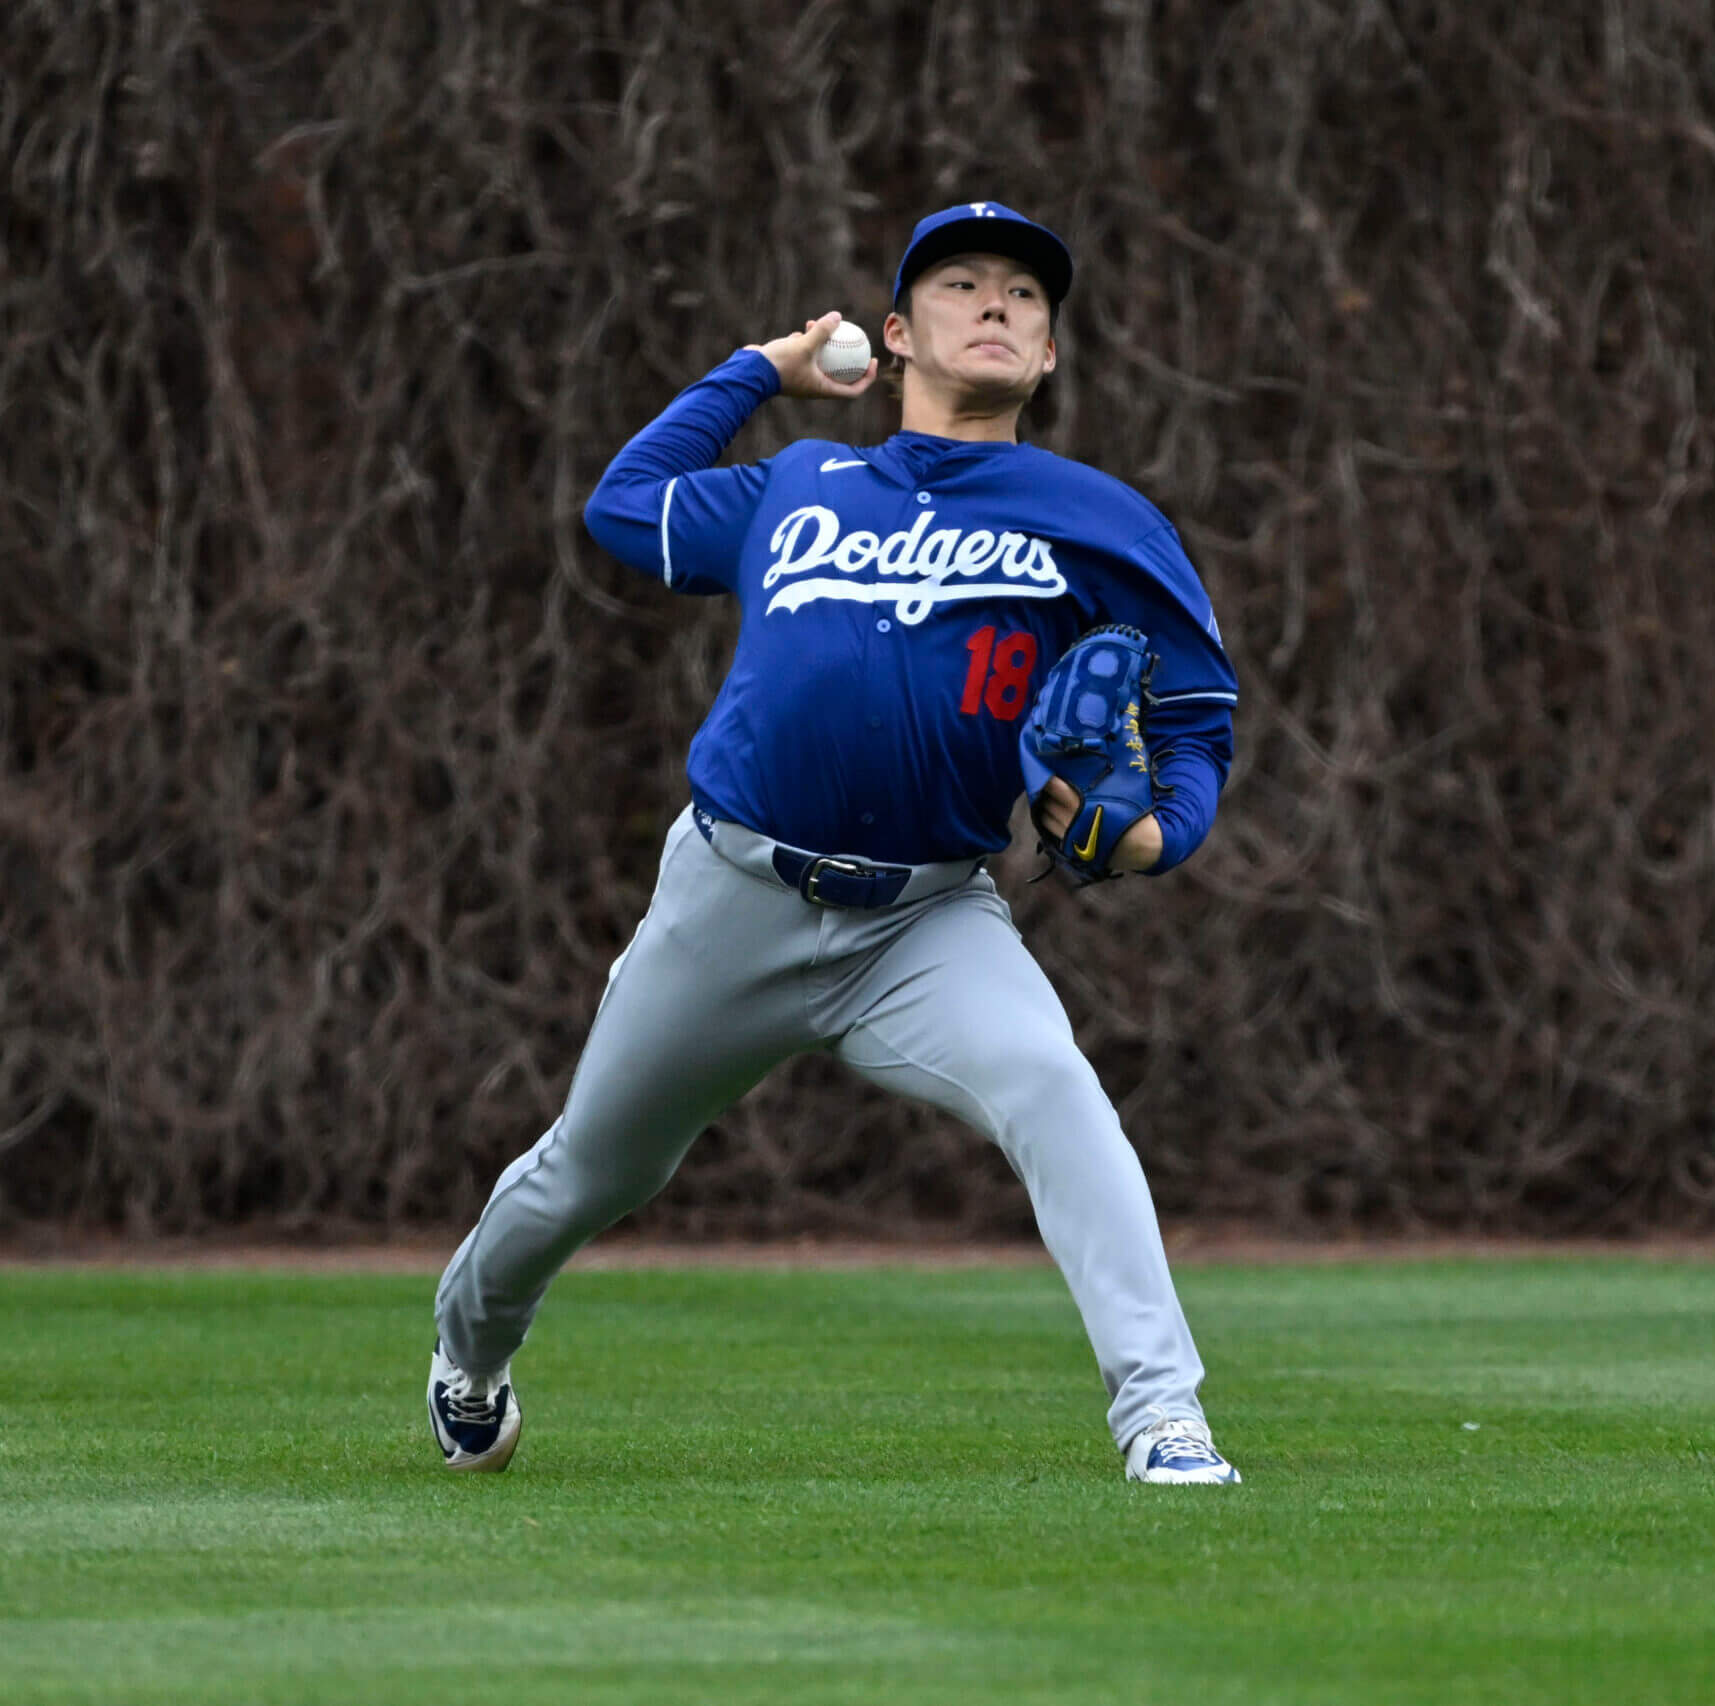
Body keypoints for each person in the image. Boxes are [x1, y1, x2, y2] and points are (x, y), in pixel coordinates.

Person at [424, 203, 1242, 1486]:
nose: (996, 306)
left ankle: (1162, 1414)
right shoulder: (804, 479)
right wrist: (762, 370)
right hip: (730, 895)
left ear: (1048, 355)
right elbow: (622, 506)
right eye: (961, 285)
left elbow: (1196, 718)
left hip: (925, 918)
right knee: (591, 1168)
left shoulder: (1102, 518)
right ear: (900, 334)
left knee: (1054, 1089)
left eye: (1025, 297)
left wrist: (1149, 836)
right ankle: (469, 1350)